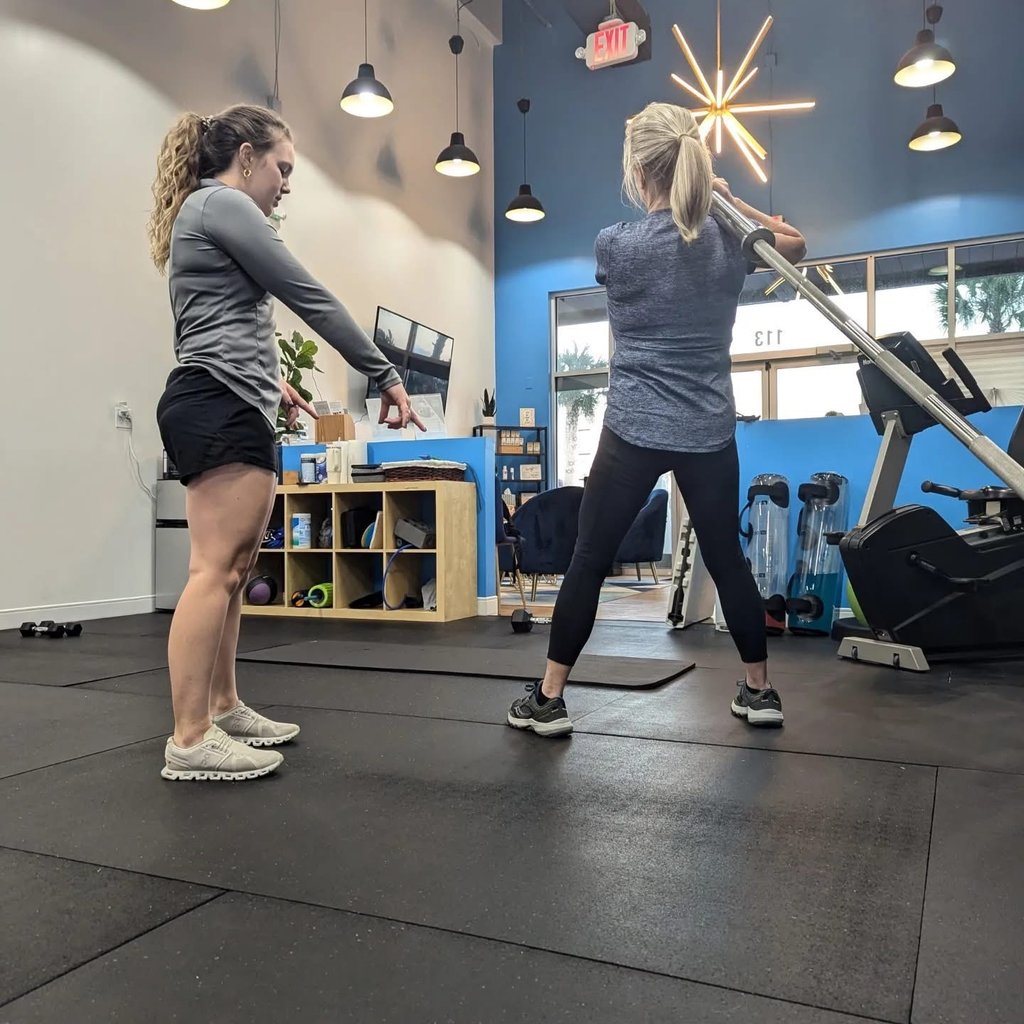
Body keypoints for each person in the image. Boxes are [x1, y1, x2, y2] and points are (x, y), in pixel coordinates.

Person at [507, 101, 806, 738]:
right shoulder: (728, 239)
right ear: (697, 163)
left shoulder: (615, 246)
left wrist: (712, 204)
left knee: (588, 558)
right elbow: (796, 244)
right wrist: (730, 204)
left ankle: (550, 698)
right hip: (708, 430)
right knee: (728, 559)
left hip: (632, 430)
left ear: (640, 170)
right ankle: (759, 691)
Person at [148, 103, 424, 781]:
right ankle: (189, 740)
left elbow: (224, 319)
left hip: (230, 397)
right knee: (213, 570)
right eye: (283, 167)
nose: (287, 183)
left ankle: (224, 705)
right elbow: (310, 295)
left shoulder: (210, 214)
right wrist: (382, 371)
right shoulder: (222, 205)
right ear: (246, 155)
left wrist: (277, 383)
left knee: (237, 569)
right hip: (214, 401)